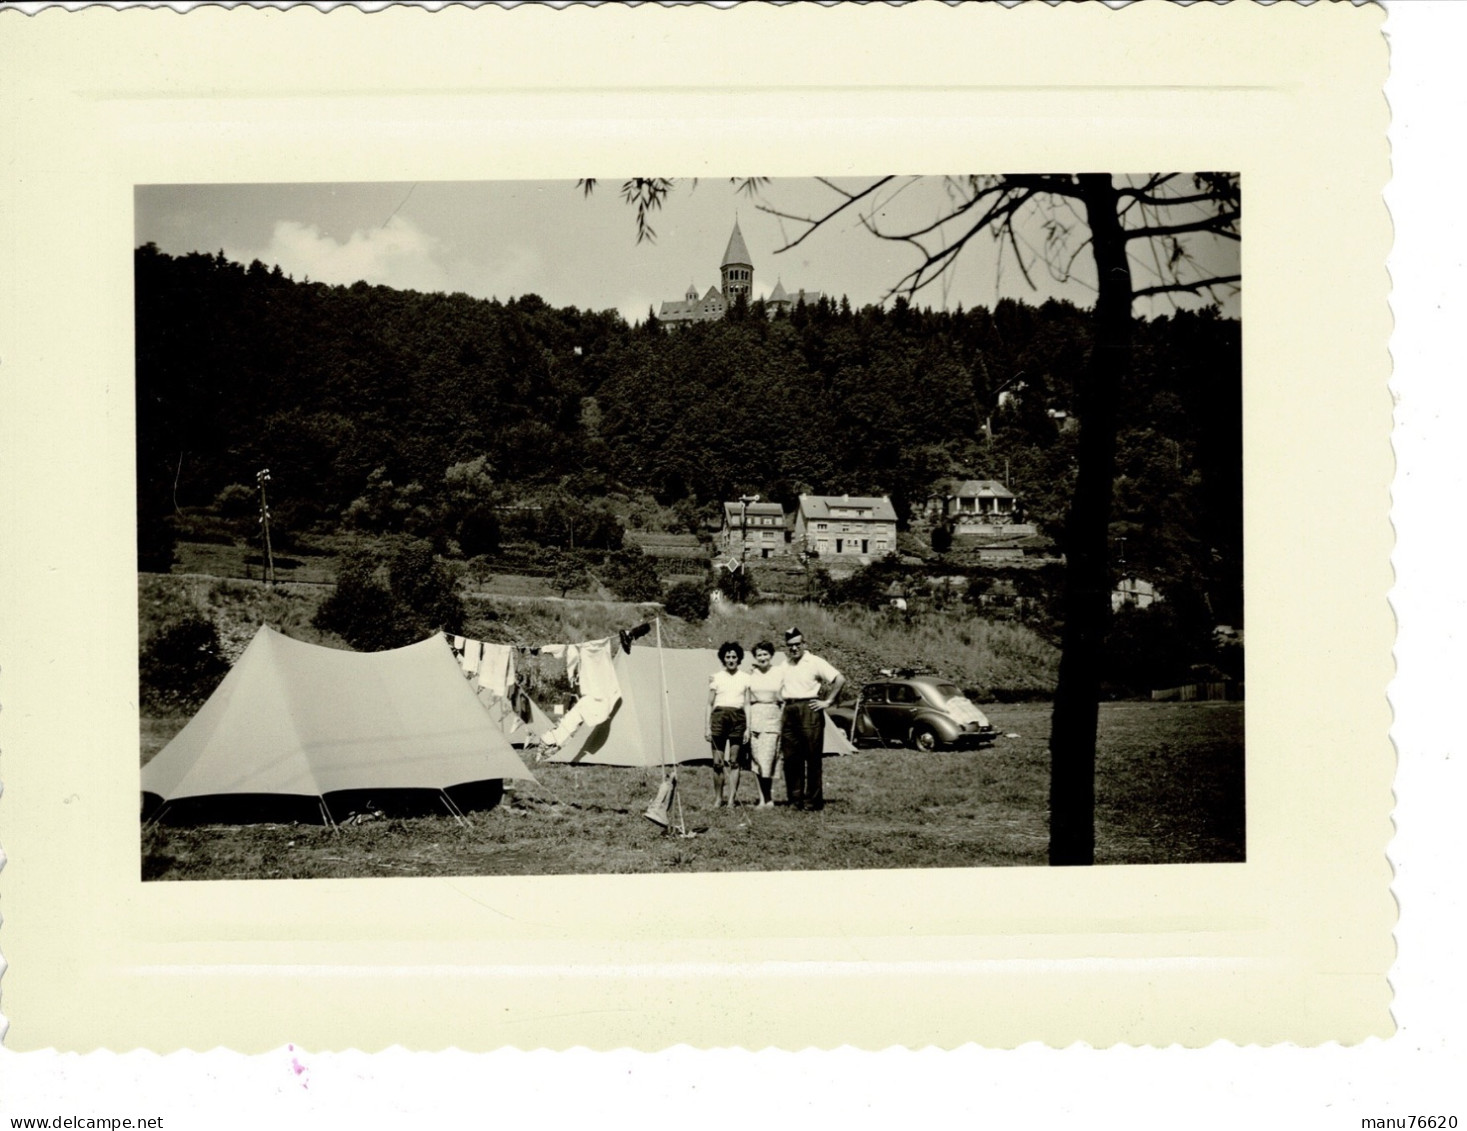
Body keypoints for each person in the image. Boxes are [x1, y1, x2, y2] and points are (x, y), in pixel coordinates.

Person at [777, 627, 845, 811]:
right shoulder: (785, 665)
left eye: (797, 644)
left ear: (804, 644)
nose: (794, 649)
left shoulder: (814, 662)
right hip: (789, 710)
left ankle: (812, 802)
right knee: (791, 758)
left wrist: (828, 701)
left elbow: (839, 679)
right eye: (790, 645)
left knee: (812, 757)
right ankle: (794, 800)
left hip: (809, 709)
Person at [705, 641, 750, 808]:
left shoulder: (746, 678)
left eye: (734, 657)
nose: (731, 660)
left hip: (738, 719)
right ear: (723, 658)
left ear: (739, 658)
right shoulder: (716, 677)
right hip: (718, 719)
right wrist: (706, 727)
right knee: (717, 762)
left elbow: (747, 704)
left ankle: (731, 800)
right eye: (728, 657)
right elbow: (709, 703)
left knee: (734, 761)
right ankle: (718, 798)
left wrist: (748, 728)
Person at [745, 640, 784, 809]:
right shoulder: (750, 675)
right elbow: (746, 700)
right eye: (759, 655)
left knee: (768, 759)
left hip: (773, 717)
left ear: (771, 655)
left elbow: (784, 699)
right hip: (755, 717)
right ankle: (762, 799)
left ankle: (769, 797)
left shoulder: (779, 672)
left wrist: (782, 720)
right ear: (755, 657)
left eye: (765, 654)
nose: (762, 657)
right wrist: (748, 725)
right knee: (757, 760)